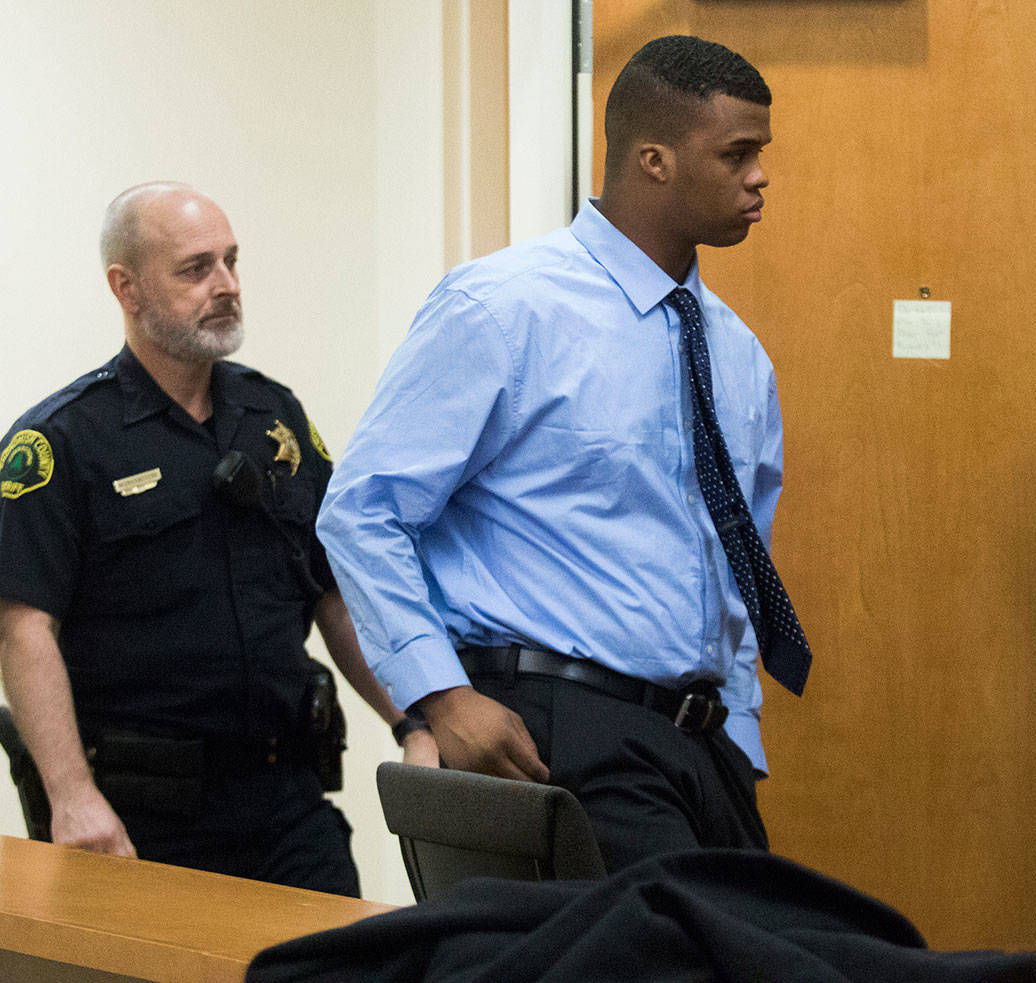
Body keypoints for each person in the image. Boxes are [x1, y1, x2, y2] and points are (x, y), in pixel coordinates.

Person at [317, 35, 813, 873]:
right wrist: (439, 697)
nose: (760, 176)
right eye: (737, 154)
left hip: (699, 748)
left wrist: (739, 738)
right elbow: (363, 512)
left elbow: (735, 563)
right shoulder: (504, 309)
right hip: (553, 725)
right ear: (653, 159)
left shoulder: (738, 355)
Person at [0, 182, 437, 897]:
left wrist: (412, 716)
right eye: (196, 268)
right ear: (125, 288)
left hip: (286, 800)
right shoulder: (60, 442)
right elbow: (24, 630)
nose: (225, 286)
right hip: (142, 814)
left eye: (231, 261)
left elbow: (335, 595)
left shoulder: (273, 417)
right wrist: (70, 794)